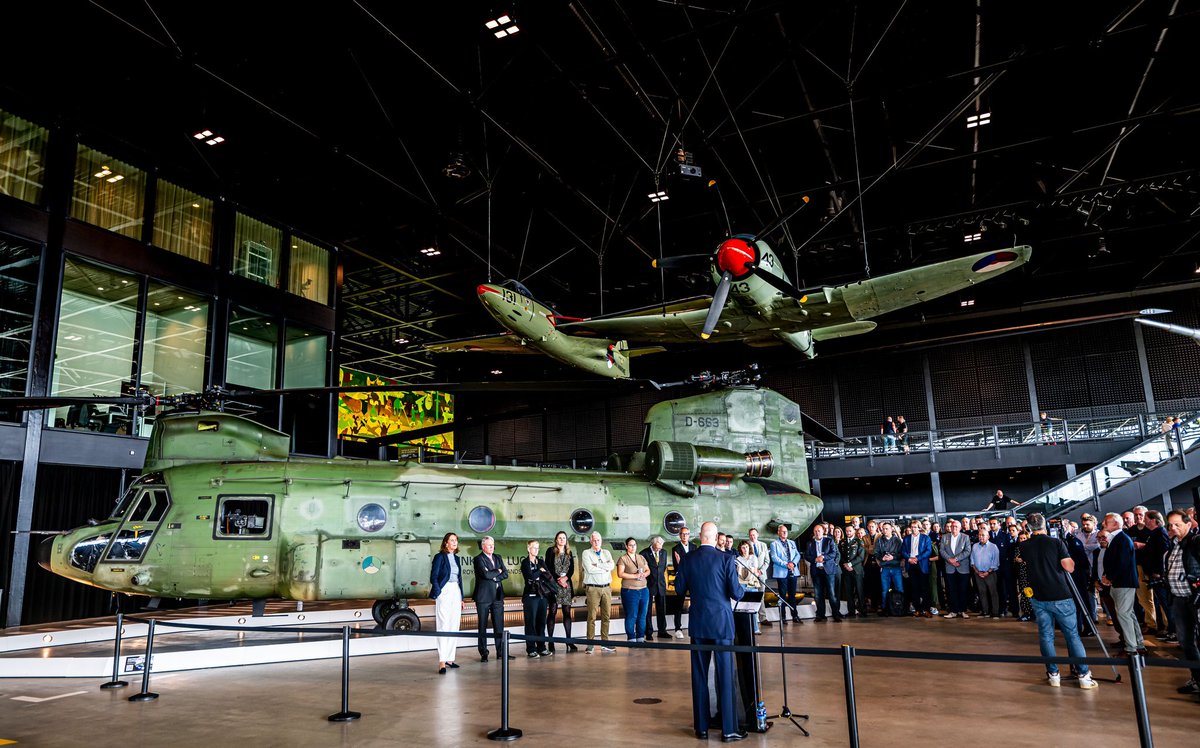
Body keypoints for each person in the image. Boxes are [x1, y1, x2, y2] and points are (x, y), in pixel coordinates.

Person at [673, 522, 746, 742]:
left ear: (699, 537)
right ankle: (729, 729)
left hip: (698, 623)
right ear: (715, 538)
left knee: (699, 675)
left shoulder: (688, 559)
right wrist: (742, 586)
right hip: (721, 624)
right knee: (725, 676)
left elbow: (678, 589)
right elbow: (736, 593)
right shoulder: (726, 559)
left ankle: (702, 727)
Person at [1019, 513, 1098, 689]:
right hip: (1060, 595)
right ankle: (1083, 675)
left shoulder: (1023, 546)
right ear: (1044, 525)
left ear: (1028, 527)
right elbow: (1069, 567)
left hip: (1038, 596)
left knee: (1046, 636)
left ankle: (1053, 674)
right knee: (1072, 636)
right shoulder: (1056, 543)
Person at [1164, 510, 1200, 695]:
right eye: (1170, 525)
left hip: (1195, 599)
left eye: (1177, 524)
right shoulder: (1173, 545)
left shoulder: (1195, 542)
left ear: (1188, 524)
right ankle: (1197, 680)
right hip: (1179, 599)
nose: (1173, 528)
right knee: (1186, 642)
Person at [1100, 512, 1145, 655]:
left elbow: (1123, 563)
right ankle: (1138, 644)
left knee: (1124, 615)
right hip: (1119, 582)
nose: (1103, 524)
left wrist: (1110, 578)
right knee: (1129, 614)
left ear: (1115, 524)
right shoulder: (1116, 538)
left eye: (1106, 521)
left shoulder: (1122, 539)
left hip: (1123, 582)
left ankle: (1131, 648)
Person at [473, 536, 514, 662]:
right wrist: (498, 570)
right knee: (482, 626)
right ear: (483, 546)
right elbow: (485, 574)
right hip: (483, 597)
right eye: (489, 545)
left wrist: (495, 576)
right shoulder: (478, 559)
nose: (492, 547)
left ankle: (501, 652)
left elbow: (505, 573)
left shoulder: (498, 557)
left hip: (497, 596)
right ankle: (484, 653)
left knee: (499, 625)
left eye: (493, 544)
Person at [430, 532, 465, 674]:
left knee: (454, 624)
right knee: (443, 624)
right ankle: (442, 661)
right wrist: (438, 592)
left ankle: (451, 658)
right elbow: (434, 576)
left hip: (455, 591)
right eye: (452, 540)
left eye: (456, 540)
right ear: (446, 543)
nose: (455, 542)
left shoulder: (457, 558)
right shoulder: (439, 557)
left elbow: (459, 579)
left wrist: (461, 597)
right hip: (444, 591)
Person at [581, 531, 617, 654]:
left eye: (598, 540)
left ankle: (605, 643)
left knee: (606, 616)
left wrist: (598, 564)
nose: (596, 542)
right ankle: (590, 644)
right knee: (592, 617)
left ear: (601, 541)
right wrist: (604, 566)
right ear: (591, 541)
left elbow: (611, 566)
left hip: (606, 588)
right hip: (593, 589)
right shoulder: (586, 553)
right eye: (594, 540)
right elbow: (590, 569)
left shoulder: (606, 553)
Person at [545, 530, 577, 653]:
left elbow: (572, 568)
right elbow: (548, 567)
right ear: (556, 540)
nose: (562, 540)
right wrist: (559, 579)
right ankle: (551, 642)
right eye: (559, 538)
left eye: (564, 538)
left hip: (566, 586)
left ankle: (569, 641)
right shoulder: (551, 551)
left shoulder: (569, 552)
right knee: (552, 612)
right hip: (554, 585)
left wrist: (566, 578)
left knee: (567, 612)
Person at [520, 539, 552, 657]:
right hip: (530, 596)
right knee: (530, 623)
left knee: (541, 622)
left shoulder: (541, 561)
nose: (536, 550)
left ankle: (542, 647)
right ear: (528, 549)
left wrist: (538, 572)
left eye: (538, 548)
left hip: (542, 595)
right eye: (534, 547)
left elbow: (547, 575)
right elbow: (530, 576)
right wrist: (539, 571)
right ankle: (531, 649)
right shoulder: (525, 563)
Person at [617, 536, 650, 643]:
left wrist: (644, 574)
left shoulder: (641, 557)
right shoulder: (623, 559)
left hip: (644, 590)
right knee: (632, 615)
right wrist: (635, 576)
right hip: (630, 591)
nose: (633, 547)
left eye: (634, 545)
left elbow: (648, 570)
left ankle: (641, 637)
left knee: (642, 615)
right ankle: (631, 638)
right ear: (626, 546)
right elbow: (620, 574)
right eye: (630, 545)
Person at [805, 524, 842, 622]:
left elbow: (833, 553)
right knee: (818, 595)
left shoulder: (829, 541)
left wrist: (823, 557)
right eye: (815, 531)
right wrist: (815, 559)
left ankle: (836, 614)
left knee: (831, 593)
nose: (817, 532)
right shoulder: (810, 543)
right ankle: (820, 615)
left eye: (819, 531)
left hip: (828, 571)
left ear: (823, 531)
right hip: (816, 572)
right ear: (814, 532)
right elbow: (806, 556)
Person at [770, 524, 802, 623]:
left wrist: (793, 563)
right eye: (782, 531)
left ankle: (795, 616)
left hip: (793, 571)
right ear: (778, 532)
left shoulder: (792, 543)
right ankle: (783, 617)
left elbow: (797, 554)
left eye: (786, 531)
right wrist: (786, 564)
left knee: (793, 595)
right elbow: (774, 558)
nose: (784, 533)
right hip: (782, 572)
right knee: (782, 596)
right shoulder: (774, 544)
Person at [940, 520, 972, 618]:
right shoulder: (945, 537)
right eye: (952, 526)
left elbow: (968, 551)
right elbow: (941, 550)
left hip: (962, 567)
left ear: (960, 528)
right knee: (951, 590)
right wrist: (950, 560)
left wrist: (956, 559)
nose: (954, 528)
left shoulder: (965, 537)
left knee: (963, 590)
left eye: (956, 527)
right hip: (950, 567)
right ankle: (953, 611)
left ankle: (962, 611)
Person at [902, 519, 933, 617]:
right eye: (912, 527)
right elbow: (903, 551)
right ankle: (917, 610)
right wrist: (909, 558)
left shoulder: (925, 538)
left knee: (925, 588)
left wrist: (917, 558)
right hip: (911, 564)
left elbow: (928, 551)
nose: (913, 529)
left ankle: (927, 610)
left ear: (919, 528)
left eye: (915, 527)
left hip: (922, 565)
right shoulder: (906, 538)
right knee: (914, 588)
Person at [642, 536, 669, 640]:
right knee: (647, 610)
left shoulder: (664, 552)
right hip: (649, 584)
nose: (659, 549)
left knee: (662, 609)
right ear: (652, 544)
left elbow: (663, 568)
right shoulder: (644, 553)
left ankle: (662, 631)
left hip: (661, 584)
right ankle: (648, 632)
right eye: (657, 548)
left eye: (660, 547)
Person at [874, 522, 904, 614]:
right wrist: (881, 557)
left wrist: (893, 557)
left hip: (896, 567)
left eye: (887, 528)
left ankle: (900, 608)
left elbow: (901, 553)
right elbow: (876, 552)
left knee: (899, 588)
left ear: (891, 529)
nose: (884, 530)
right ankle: (885, 608)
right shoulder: (879, 540)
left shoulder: (897, 540)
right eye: (883, 529)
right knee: (884, 590)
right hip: (885, 568)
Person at [735, 540, 763, 634]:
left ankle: (755, 628)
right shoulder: (738, 559)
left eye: (746, 547)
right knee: (743, 608)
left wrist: (746, 571)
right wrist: (747, 571)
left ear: (749, 548)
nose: (745, 549)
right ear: (740, 549)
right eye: (743, 547)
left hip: (752, 584)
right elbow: (740, 574)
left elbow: (754, 571)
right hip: (742, 585)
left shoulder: (753, 557)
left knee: (753, 608)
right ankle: (744, 629)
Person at [671, 527, 695, 638]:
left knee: (695, 603)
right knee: (679, 604)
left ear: (689, 535)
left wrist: (683, 562)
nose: (685, 536)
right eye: (682, 534)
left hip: (693, 579)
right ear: (680, 535)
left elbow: (696, 564)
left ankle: (694, 627)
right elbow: (677, 567)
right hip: (681, 579)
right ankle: (678, 628)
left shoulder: (694, 547)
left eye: (687, 534)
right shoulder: (675, 548)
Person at [971, 529, 1001, 618]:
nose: (981, 537)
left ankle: (995, 613)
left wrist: (988, 572)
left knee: (993, 593)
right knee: (982, 593)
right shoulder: (975, 546)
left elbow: (996, 562)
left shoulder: (993, 547)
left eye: (983, 535)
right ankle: (985, 612)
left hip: (990, 574)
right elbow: (972, 560)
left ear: (988, 536)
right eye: (979, 535)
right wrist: (977, 571)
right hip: (978, 573)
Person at [840, 522, 866, 617]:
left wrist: (850, 564)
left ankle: (863, 611)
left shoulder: (859, 541)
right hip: (846, 570)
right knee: (848, 592)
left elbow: (861, 556)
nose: (848, 532)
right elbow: (840, 555)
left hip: (856, 570)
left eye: (850, 531)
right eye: (846, 531)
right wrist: (845, 564)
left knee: (859, 591)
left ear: (854, 531)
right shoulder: (842, 542)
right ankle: (851, 611)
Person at [748, 527, 771, 627]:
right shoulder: (747, 546)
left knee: (761, 596)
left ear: (757, 535)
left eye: (754, 535)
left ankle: (763, 618)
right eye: (751, 535)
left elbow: (767, 561)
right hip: (751, 575)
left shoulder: (763, 545)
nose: (753, 537)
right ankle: (753, 619)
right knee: (752, 597)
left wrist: (760, 571)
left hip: (761, 575)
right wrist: (753, 571)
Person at [1012, 530, 1034, 621]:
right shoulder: (1017, 548)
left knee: (1031, 594)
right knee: (1024, 594)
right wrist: (1018, 559)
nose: (1022, 540)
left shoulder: (1031, 548)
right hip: (1021, 574)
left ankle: (1033, 613)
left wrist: (1022, 559)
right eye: (1020, 538)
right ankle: (1026, 613)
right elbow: (1016, 559)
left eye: (1024, 538)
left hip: (1030, 574)